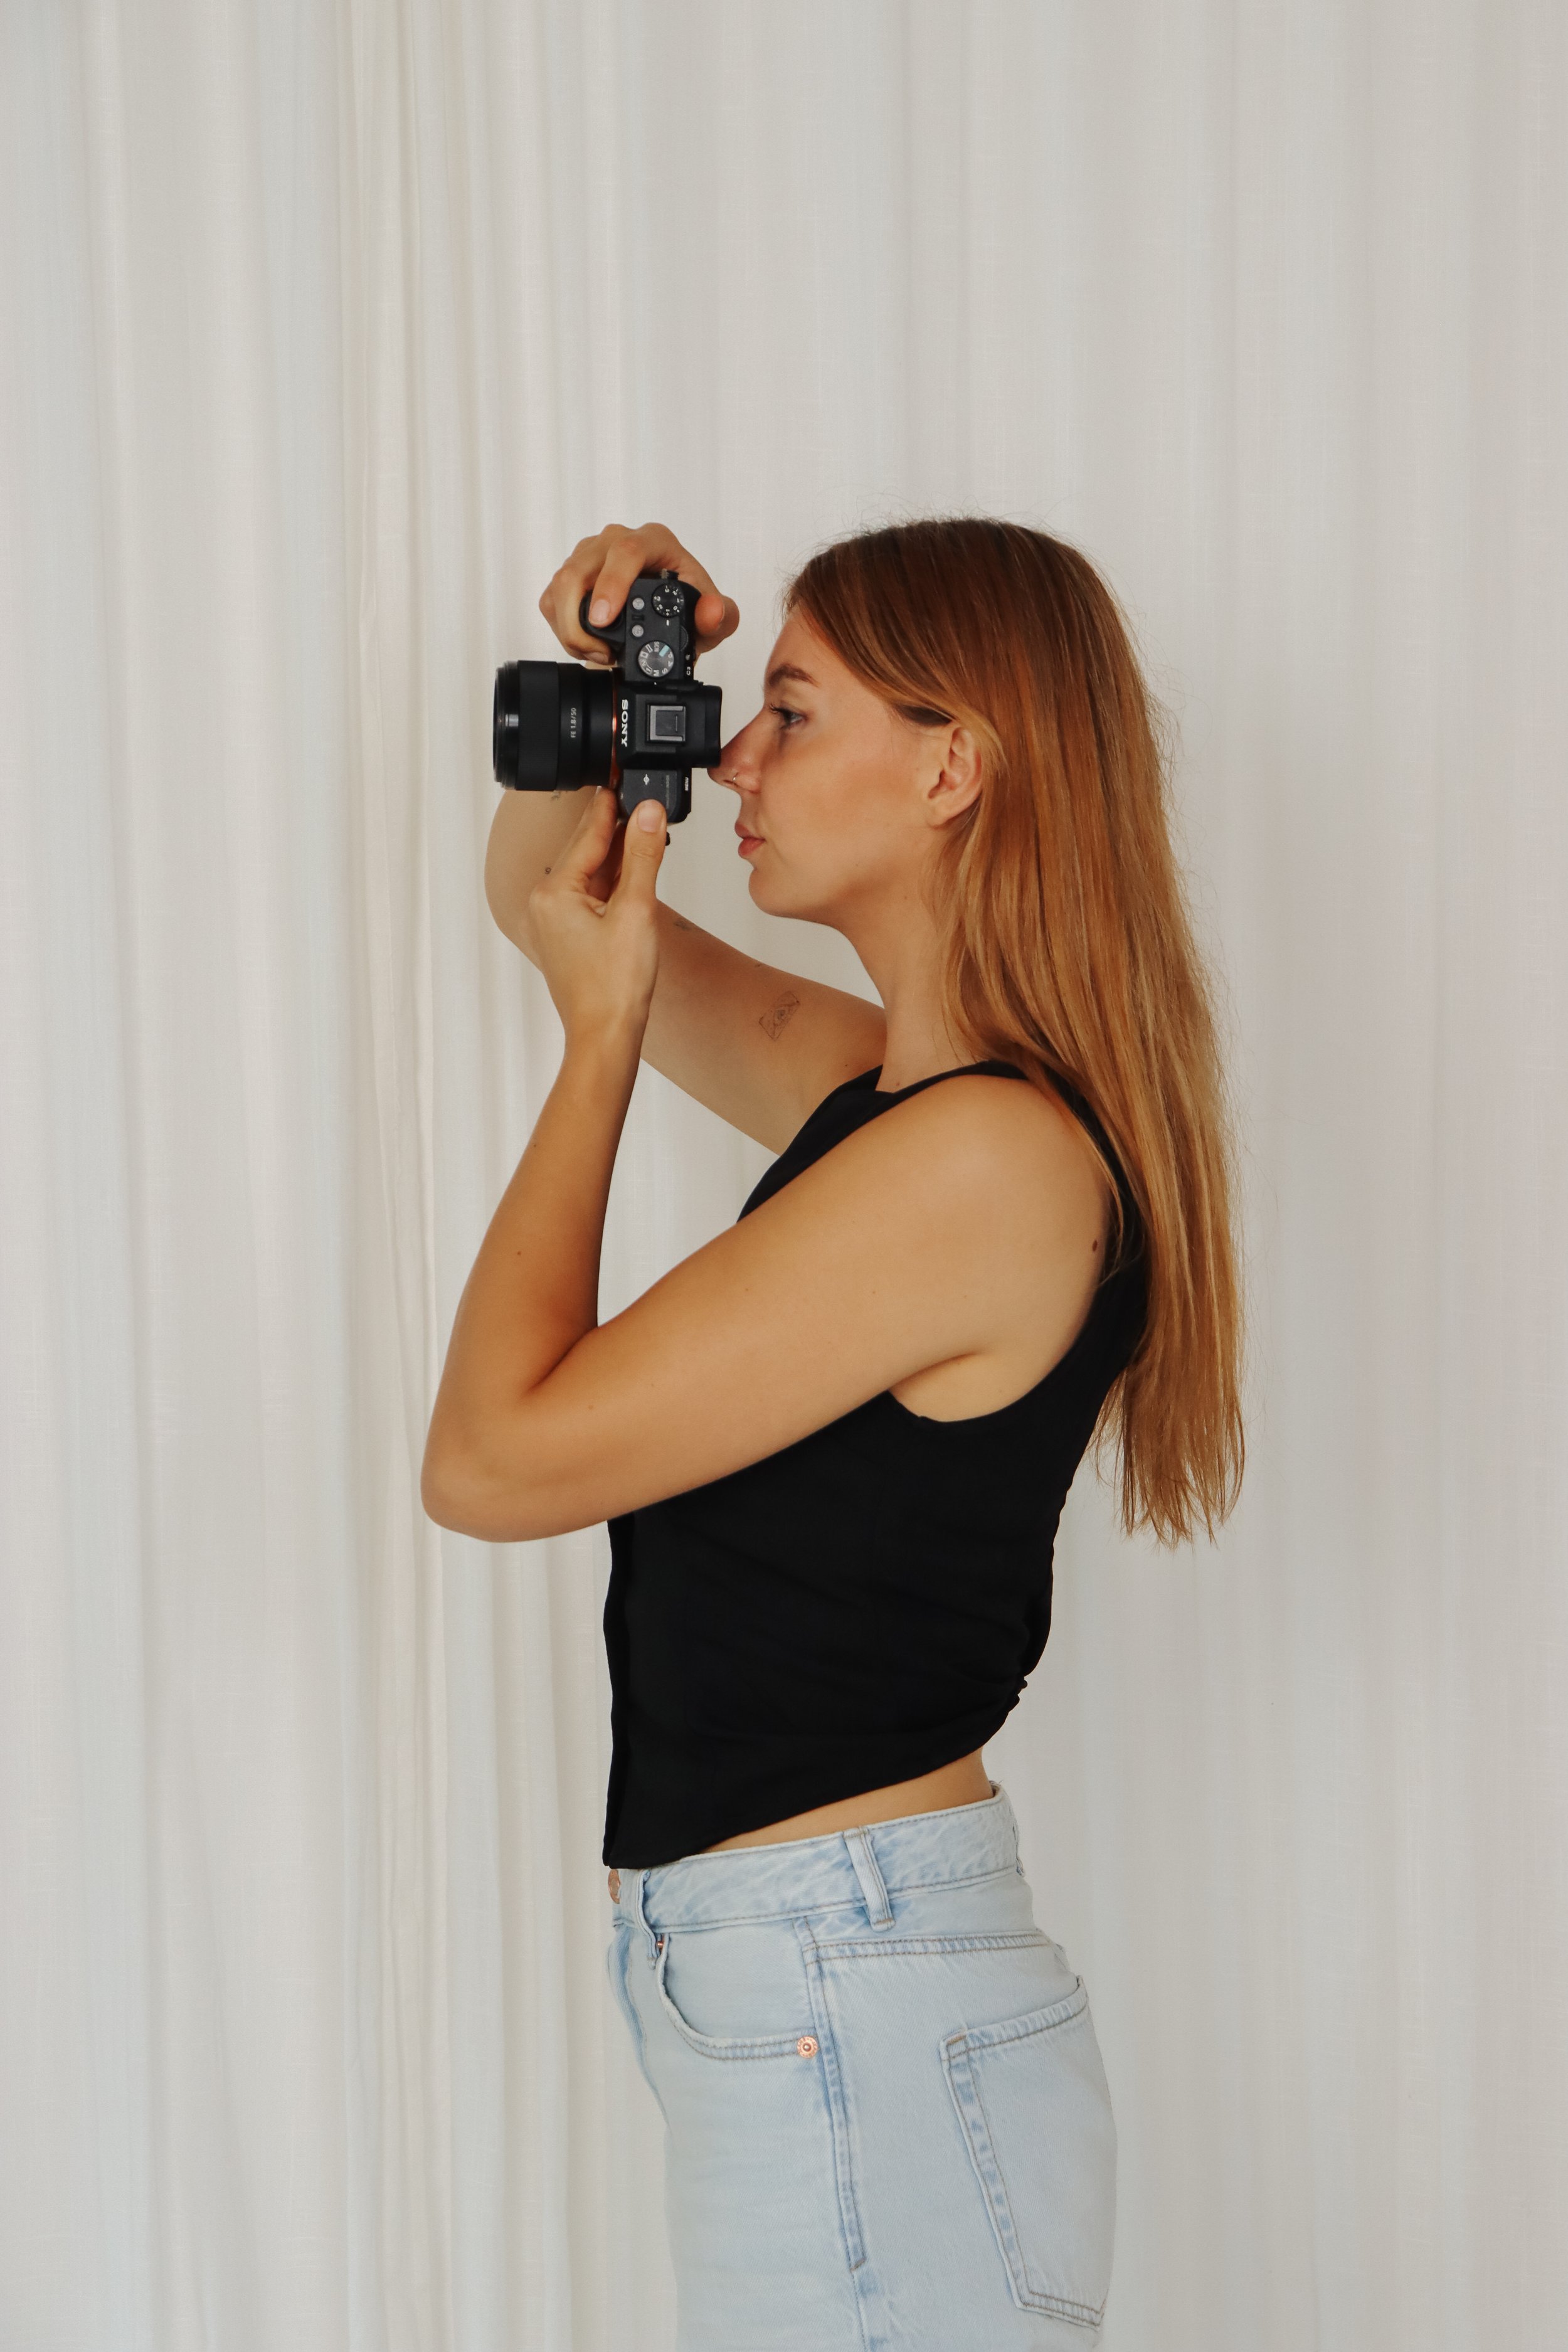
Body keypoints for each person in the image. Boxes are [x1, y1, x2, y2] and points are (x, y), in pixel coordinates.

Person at [422, 517, 1245, 2349]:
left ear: (953, 766)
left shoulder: (976, 1167)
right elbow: (536, 897)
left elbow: (489, 1458)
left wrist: (596, 1047)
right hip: (819, 1969)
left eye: (787, 711)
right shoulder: (897, 1101)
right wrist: (590, 695)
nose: (733, 760)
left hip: (845, 1978)